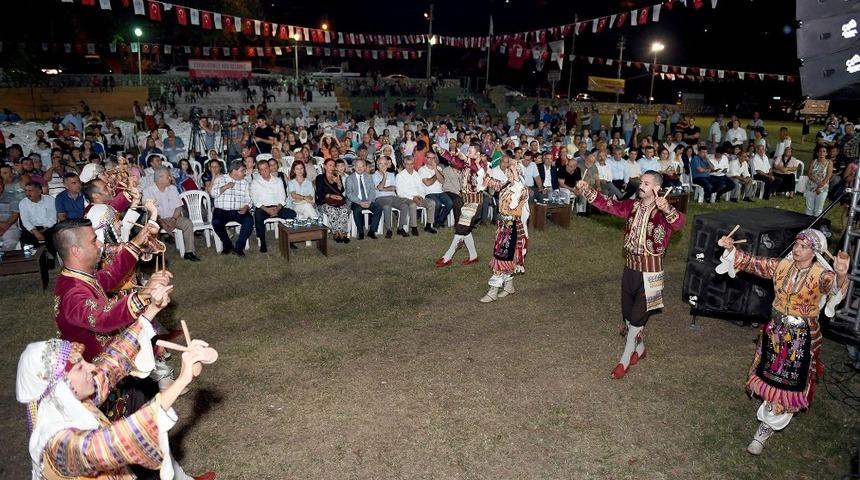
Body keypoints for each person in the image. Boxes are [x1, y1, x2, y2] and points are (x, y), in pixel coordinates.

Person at [17, 295, 217, 480]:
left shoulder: (66, 402)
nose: (92, 367)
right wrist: (181, 380)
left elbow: (114, 361)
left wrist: (150, 312)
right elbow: (116, 442)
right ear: (60, 385)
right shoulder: (58, 443)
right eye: (80, 367)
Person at [715, 229, 847, 455]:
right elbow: (753, 262)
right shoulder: (782, 266)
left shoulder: (820, 274)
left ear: (814, 251)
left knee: (788, 383)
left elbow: (833, 285)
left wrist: (842, 274)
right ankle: (768, 412)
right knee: (768, 374)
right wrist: (730, 249)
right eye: (796, 244)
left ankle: (765, 429)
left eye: (804, 247)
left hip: (800, 337)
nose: (797, 249)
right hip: (775, 331)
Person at [575, 171, 685, 379]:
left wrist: (667, 208)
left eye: (646, 183)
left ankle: (623, 361)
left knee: (636, 320)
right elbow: (609, 204)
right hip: (630, 269)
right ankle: (640, 348)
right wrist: (587, 189)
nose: (641, 186)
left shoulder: (663, 212)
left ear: (656, 187)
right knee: (628, 317)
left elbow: (679, 223)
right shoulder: (633, 206)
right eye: (640, 182)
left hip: (652, 272)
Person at [480, 160, 529, 303]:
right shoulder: (507, 184)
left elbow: (516, 196)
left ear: (518, 173)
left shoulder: (522, 189)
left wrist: (515, 173)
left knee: (501, 257)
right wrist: (480, 166)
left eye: (512, 171)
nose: (508, 173)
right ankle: (508, 286)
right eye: (508, 170)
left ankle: (493, 291)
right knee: (505, 256)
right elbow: (491, 182)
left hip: (512, 226)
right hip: (503, 225)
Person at [434, 142, 487, 267]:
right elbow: (453, 160)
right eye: (467, 151)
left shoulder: (482, 164)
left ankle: (447, 258)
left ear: (477, 154)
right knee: (465, 230)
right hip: (467, 201)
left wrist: (466, 158)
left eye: (470, 151)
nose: (467, 153)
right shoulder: (467, 164)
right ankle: (473, 256)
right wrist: (441, 150)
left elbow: (477, 170)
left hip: (474, 202)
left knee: (460, 229)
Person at [143, 167, 201, 262]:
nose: (170, 178)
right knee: (151, 228)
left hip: (173, 217)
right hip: (156, 219)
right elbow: (150, 211)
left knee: (187, 223)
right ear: (160, 178)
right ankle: (153, 256)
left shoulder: (173, 188)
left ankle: (189, 252)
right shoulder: (148, 191)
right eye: (168, 176)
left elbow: (178, 207)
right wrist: (161, 222)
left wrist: (174, 219)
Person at [251, 159, 297, 252]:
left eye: (266, 168)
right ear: (259, 171)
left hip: (277, 207)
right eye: (261, 169)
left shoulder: (278, 181)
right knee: (258, 215)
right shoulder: (255, 182)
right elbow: (256, 200)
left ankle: (289, 239)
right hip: (263, 208)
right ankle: (262, 242)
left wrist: (277, 209)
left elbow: (282, 197)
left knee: (291, 214)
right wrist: (267, 210)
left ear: (269, 168)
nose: (264, 171)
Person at [210, 160, 254, 256]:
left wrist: (246, 207)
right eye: (242, 171)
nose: (244, 173)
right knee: (216, 222)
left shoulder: (244, 182)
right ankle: (227, 245)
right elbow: (212, 194)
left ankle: (239, 248)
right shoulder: (220, 179)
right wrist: (225, 187)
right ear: (234, 171)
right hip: (222, 210)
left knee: (249, 221)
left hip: (239, 210)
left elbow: (249, 198)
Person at [372, 155, 413, 238]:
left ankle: (400, 228)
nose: (383, 166)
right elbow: (379, 188)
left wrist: (383, 188)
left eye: (385, 164)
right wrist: (384, 176)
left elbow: (394, 188)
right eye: (381, 164)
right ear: (377, 165)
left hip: (393, 197)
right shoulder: (374, 175)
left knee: (404, 206)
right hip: (380, 198)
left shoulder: (391, 174)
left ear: (388, 165)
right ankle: (389, 230)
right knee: (387, 206)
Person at [344, 158, 382, 239]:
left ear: (365, 167)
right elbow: (349, 194)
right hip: (355, 201)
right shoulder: (350, 178)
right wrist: (360, 202)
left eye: (362, 166)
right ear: (354, 167)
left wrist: (369, 201)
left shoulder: (369, 177)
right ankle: (360, 232)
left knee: (378, 207)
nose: (360, 168)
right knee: (357, 210)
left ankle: (372, 231)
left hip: (368, 200)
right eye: (357, 166)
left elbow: (372, 190)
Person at [396, 156, 435, 235]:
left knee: (432, 203)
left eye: (411, 164)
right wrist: (413, 198)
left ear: (414, 164)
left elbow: (422, 188)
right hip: (406, 198)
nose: (410, 166)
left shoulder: (417, 174)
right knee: (413, 205)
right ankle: (414, 227)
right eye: (407, 164)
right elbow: (400, 192)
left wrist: (421, 197)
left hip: (418, 197)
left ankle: (428, 225)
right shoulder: (400, 176)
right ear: (404, 164)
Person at [315, 158, 351, 243]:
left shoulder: (336, 176)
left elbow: (341, 190)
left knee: (344, 209)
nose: (332, 167)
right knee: (332, 210)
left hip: (337, 202)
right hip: (324, 202)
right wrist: (331, 195)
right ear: (324, 166)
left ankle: (343, 232)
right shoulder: (320, 178)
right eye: (330, 165)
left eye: (333, 165)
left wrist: (338, 181)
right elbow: (319, 193)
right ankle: (338, 233)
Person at [19, 181, 58, 256]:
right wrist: (35, 232)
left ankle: (50, 256)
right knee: (26, 239)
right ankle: (35, 259)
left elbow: (52, 218)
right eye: (26, 191)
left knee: (51, 236)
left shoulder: (50, 200)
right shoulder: (23, 203)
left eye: (30, 190)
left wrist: (44, 229)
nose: (27, 193)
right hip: (32, 228)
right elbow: (25, 221)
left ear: (39, 191)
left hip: (48, 226)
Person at [418, 150, 454, 229]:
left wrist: (435, 169)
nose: (431, 160)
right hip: (429, 193)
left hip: (440, 192)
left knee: (450, 203)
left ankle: (440, 221)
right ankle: (434, 221)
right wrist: (436, 173)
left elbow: (442, 181)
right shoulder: (422, 170)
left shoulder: (438, 167)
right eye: (429, 158)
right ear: (425, 158)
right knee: (437, 204)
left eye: (433, 158)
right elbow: (428, 183)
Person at [805, 146, 833, 217]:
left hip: (823, 187)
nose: (822, 153)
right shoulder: (813, 161)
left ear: (826, 153)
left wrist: (820, 186)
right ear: (817, 153)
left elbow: (829, 175)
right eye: (820, 151)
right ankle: (808, 224)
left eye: (824, 151)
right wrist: (817, 183)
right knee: (809, 208)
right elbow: (809, 173)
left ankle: (816, 225)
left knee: (819, 209)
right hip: (811, 186)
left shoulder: (829, 162)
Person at [0, 175, 21, 250]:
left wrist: (5, 226)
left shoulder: (12, 196)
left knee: (11, 242)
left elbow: (15, 215)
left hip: (10, 226)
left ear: (3, 185)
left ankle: (4, 260)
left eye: (0, 183)